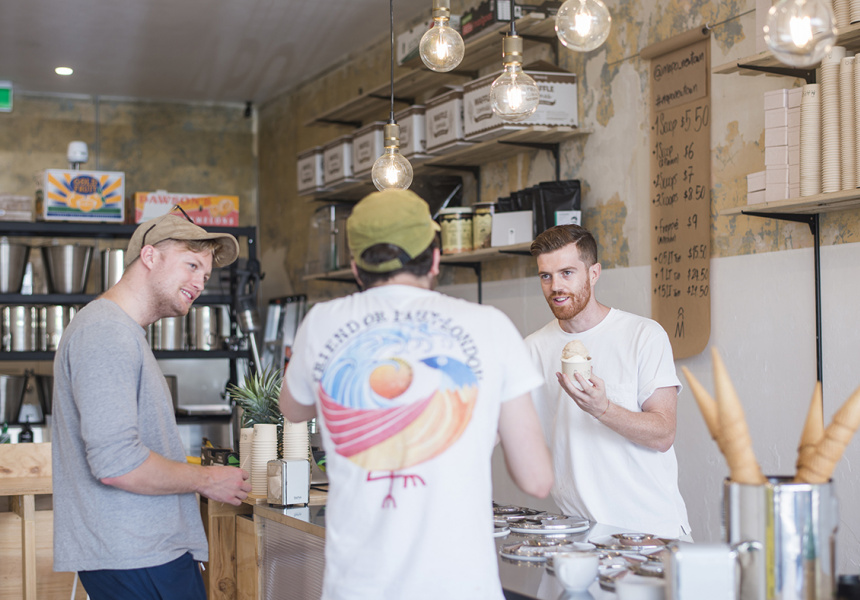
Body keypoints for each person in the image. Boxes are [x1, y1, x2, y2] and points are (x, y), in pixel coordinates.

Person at [279, 190, 553, 600]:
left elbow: (292, 408)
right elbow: (537, 479)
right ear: (436, 258)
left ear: (356, 267)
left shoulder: (321, 321)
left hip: (358, 589)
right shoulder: (490, 325)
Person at [52, 209, 252, 600]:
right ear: (149, 256)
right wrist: (207, 480)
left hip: (140, 553)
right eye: (191, 265)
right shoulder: (106, 332)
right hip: (137, 556)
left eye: (206, 275)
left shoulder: (121, 331)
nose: (200, 283)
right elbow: (117, 464)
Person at [525, 224, 690, 540]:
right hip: (577, 534)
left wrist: (603, 409)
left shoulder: (643, 336)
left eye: (567, 273)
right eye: (546, 276)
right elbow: (495, 425)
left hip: (650, 533)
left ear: (594, 273)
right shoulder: (532, 349)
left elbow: (663, 434)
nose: (556, 286)